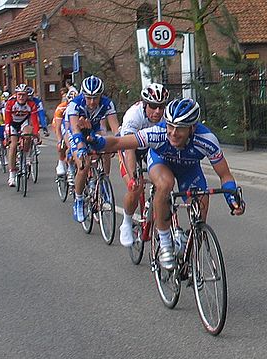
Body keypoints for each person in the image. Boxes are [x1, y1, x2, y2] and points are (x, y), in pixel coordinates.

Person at [84, 97, 245, 269]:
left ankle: (189, 254)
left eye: (180, 128)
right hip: (161, 162)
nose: (173, 133)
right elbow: (119, 142)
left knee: (200, 209)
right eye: (170, 126)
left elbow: (225, 175)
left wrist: (231, 198)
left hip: (189, 170)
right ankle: (166, 242)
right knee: (165, 184)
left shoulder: (206, 139)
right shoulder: (157, 133)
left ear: (192, 128)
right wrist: (97, 141)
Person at [118, 83, 170, 247]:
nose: (157, 112)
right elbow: (129, 150)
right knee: (135, 187)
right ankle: (126, 222)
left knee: (166, 184)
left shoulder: (166, 115)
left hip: (152, 148)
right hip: (131, 147)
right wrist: (133, 177)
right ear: (145, 104)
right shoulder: (133, 116)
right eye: (153, 107)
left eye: (161, 107)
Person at [65, 75, 120, 222]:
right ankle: (79, 199)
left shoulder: (107, 104)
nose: (92, 102)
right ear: (83, 95)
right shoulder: (75, 104)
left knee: (106, 149)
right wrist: (81, 148)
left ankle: (104, 183)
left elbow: (115, 129)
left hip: (93, 130)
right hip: (74, 131)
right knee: (84, 164)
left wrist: (120, 143)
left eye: (95, 98)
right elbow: (75, 131)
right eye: (89, 98)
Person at [4, 83, 40, 187]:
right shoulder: (10, 103)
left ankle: (26, 155)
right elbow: (7, 120)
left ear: (27, 95)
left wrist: (36, 133)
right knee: (13, 146)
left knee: (28, 134)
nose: (21, 97)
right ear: (16, 95)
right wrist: (7, 133)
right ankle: (12, 174)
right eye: (19, 95)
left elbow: (34, 121)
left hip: (24, 122)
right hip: (13, 123)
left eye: (23, 95)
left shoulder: (31, 104)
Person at [53, 88, 78, 176]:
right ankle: (61, 162)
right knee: (65, 145)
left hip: (74, 123)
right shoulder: (61, 107)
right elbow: (58, 127)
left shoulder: (80, 106)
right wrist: (60, 140)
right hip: (62, 124)